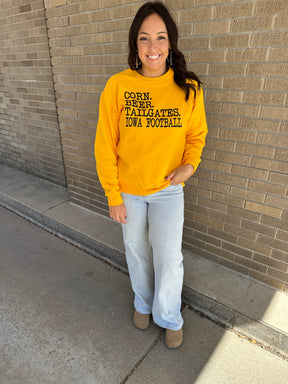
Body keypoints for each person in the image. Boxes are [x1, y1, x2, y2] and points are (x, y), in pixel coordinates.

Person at [95, 1, 207, 349]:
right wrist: (113, 195)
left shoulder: (188, 88)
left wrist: (190, 165)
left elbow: (196, 136)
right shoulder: (118, 86)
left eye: (160, 38)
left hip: (168, 190)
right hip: (129, 189)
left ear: (170, 42)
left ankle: (169, 314)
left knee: (169, 255)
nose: (153, 47)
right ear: (136, 44)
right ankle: (143, 303)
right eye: (144, 39)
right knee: (136, 249)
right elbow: (105, 145)